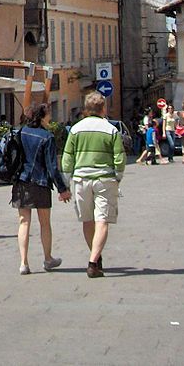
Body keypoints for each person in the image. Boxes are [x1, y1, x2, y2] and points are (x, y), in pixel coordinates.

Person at [61, 91, 125, 279]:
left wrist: (66, 181)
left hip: (81, 179)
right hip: (104, 179)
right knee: (102, 220)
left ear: (86, 110)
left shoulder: (75, 129)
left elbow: (67, 157)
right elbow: (119, 157)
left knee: (87, 220)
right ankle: (93, 261)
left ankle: (95, 257)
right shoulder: (111, 130)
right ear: (103, 108)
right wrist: (118, 176)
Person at [11, 104, 70, 272]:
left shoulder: (21, 132)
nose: (51, 117)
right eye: (49, 114)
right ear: (43, 116)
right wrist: (62, 189)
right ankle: (47, 258)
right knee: (45, 223)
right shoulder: (47, 136)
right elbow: (52, 167)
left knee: (24, 222)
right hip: (41, 183)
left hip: (21, 181)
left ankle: (24, 263)